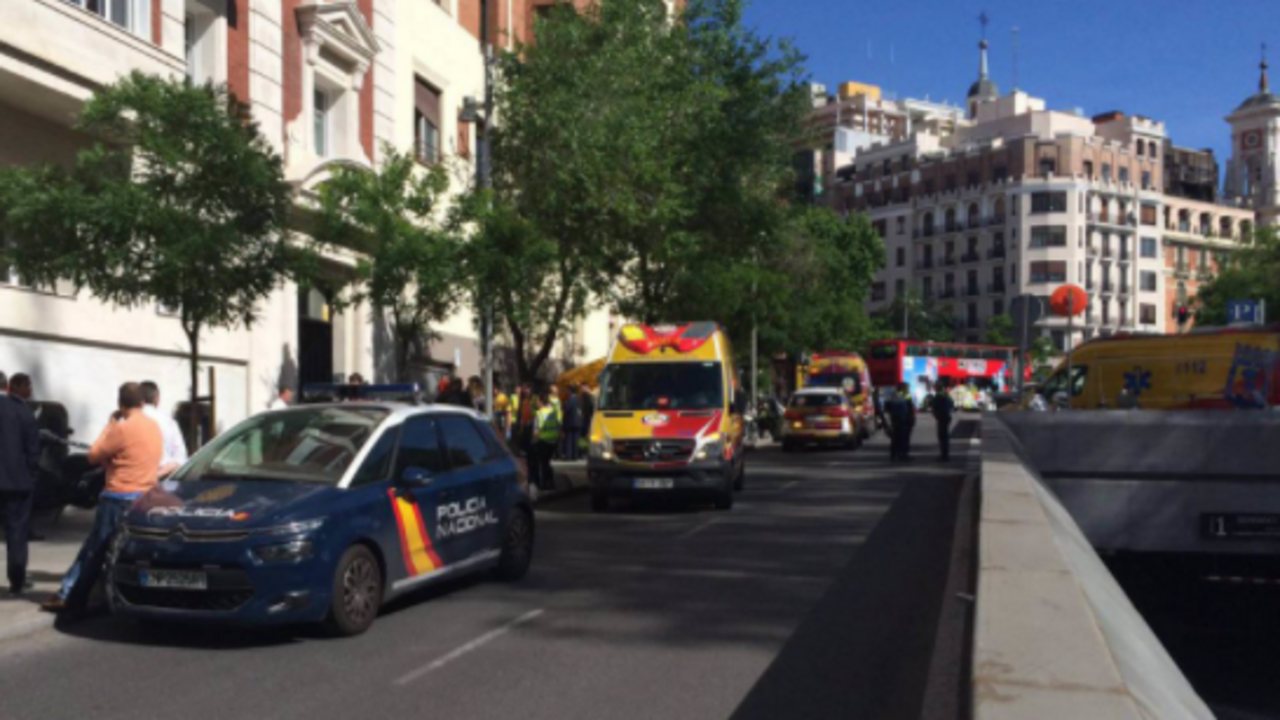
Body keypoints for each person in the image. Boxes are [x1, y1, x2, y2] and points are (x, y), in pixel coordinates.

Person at [43, 383, 162, 613]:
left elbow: (93, 455)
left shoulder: (122, 428)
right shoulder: (153, 427)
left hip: (119, 495)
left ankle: (69, 593)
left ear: (121, 404)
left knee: (95, 548)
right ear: (142, 402)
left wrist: (110, 424)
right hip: (145, 495)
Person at [0, 371, 40, 596]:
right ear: (8, 386)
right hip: (16, 483)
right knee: (16, 531)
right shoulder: (23, 412)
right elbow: (33, 450)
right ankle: (16, 580)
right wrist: (29, 474)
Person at [139, 381, 189, 478]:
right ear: (157, 399)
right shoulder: (169, 422)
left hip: (134, 478)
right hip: (164, 477)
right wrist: (160, 473)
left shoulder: (126, 421)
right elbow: (181, 458)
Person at [531, 391, 561, 491]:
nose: (536, 403)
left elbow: (536, 431)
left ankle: (544, 484)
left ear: (541, 402)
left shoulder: (539, 413)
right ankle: (551, 482)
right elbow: (557, 425)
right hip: (553, 441)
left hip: (543, 441)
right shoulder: (552, 412)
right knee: (547, 462)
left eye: (537, 401)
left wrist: (534, 441)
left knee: (543, 463)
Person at [884, 383, 916, 462]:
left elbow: (887, 407)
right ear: (904, 388)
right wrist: (912, 419)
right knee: (904, 438)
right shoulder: (906, 395)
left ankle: (893, 455)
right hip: (904, 419)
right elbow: (910, 407)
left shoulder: (893, 395)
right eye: (907, 388)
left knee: (895, 438)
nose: (908, 389)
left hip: (895, 419)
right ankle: (903, 455)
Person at [931, 380, 956, 462]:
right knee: (945, 437)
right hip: (946, 416)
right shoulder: (946, 395)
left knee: (942, 437)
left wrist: (936, 414)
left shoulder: (938, 396)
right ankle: (945, 455)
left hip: (942, 417)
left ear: (937, 388)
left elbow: (934, 406)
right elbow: (952, 404)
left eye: (935, 387)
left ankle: (944, 456)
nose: (934, 388)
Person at [561, 384, 583, 461]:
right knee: (576, 439)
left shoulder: (570, 399)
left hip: (570, 422)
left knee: (569, 439)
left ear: (570, 391)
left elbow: (567, 410)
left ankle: (569, 455)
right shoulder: (579, 399)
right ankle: (575, 455)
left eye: (567, 390)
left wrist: (564, 406)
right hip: (578, 422)